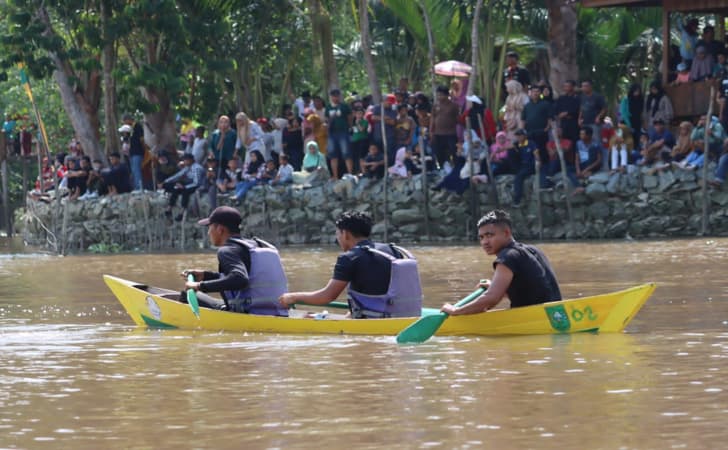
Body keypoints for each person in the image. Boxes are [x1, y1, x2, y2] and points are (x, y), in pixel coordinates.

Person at [278, 211, 423, 319]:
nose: (338, 238)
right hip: (401, 315)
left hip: (377, 320)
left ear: (345, 234)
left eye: (338, 234)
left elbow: (327, 297)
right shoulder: (391, 250)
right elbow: (375, 290)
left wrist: (293, 297)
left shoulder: (349, 258)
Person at [440, 210, 561, 315]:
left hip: (536, 318)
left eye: (489, 235)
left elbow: (491, 298)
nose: (485, 242)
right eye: (481, 237)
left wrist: (456, 311)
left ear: (506, 233)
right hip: (557, 314)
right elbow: (536, 292)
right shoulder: (533, 250)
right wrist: (501, 290)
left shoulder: (507, 256)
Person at [183, 206, 289, 316]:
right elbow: (249, 277)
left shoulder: (227, 250)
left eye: (209, 227)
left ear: (220, 229)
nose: (208, 233)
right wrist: (206, 276)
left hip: (249, 313)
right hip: (279, 313)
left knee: (184, 296)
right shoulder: (254, 246)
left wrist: (199, 286)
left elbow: (240, 279)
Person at [162, 153, 205, 221]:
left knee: (185, 192)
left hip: (197, 185)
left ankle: (182, 212)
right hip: (188, 183)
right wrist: (165, 181)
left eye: (185, 160)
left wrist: (184, 187)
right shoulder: (188, 167)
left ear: (190, 160)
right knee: (176, 188)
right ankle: (169, 208)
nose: (184, 161)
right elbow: (178, 175)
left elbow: (197, 183)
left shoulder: (197, 168)